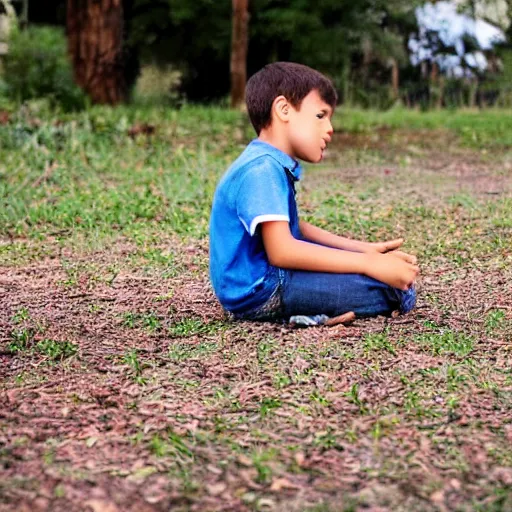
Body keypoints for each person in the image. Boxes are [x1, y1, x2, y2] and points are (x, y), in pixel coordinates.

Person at [209, 62, 418, 322]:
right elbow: (282, 250)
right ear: (283, 110)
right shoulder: (261, 169)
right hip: (262, 290)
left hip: (259, 284)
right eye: (321, 115)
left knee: (387, 277)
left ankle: (317, 311)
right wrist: (368, 264)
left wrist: (366, 251)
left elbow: (298, 229)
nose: (329, 128)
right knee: (395, 291)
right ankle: (309, 314)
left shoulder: (264, 161)